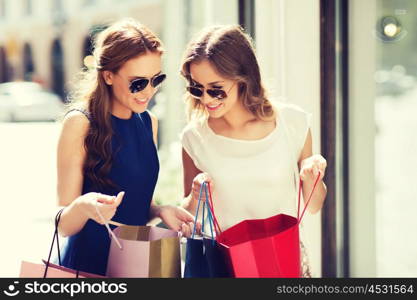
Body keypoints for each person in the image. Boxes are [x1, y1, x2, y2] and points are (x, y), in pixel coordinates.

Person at [179, 25, 327, 276]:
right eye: (196, 87)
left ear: (243, 78)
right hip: (227, 268)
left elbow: (313, 206)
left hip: (285, 263)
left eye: (215, 88)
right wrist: (195, 195)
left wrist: (312, 177)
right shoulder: (194, 138)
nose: (206, 99)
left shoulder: (292, 123)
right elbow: (187, 218)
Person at [56, 18, 194, 276]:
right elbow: (63, 224)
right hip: (89, 267)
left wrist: (160, 210)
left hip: (138, 262)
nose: (148, 91)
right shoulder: (80, 123)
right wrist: (86, 206)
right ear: (108, 76)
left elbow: (136, 199)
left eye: (156, 79)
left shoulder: (148, 122)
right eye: (138, 82)